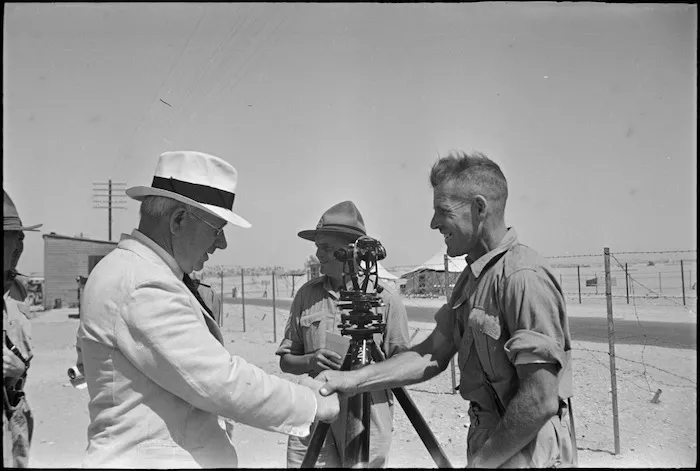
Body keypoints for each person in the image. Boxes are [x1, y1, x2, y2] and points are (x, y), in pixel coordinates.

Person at [77, 151, 339, 468]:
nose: (222, 244)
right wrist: (309, 402)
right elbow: (218, 380)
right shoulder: (144, 284)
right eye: (216, 229)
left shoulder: (134, 271)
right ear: (178, 220)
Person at [317, 152, 576, 468]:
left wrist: (480, 465)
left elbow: (539, 399)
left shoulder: (523, 277)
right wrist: (352, 381)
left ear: (479, 208)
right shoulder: (472, 280)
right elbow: (431, 354)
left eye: (443, 211)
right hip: (493, 447)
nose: (433, 223)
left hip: (529, 453)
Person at [277, 201, 410, 468]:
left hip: (367, 415)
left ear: (351, 250)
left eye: (325, 248)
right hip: (316, 405)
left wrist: (363, 374)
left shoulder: (386, 300)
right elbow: (286, 361)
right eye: (317, 248)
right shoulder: (307, 295)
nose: (319, 255)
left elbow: (404, 367)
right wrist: (311, 361)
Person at [3, 190, 42, 468]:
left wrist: (19, 368)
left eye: (21, 236)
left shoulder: (19, 289)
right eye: (11, 237)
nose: (19, 245)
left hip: (14, 412)